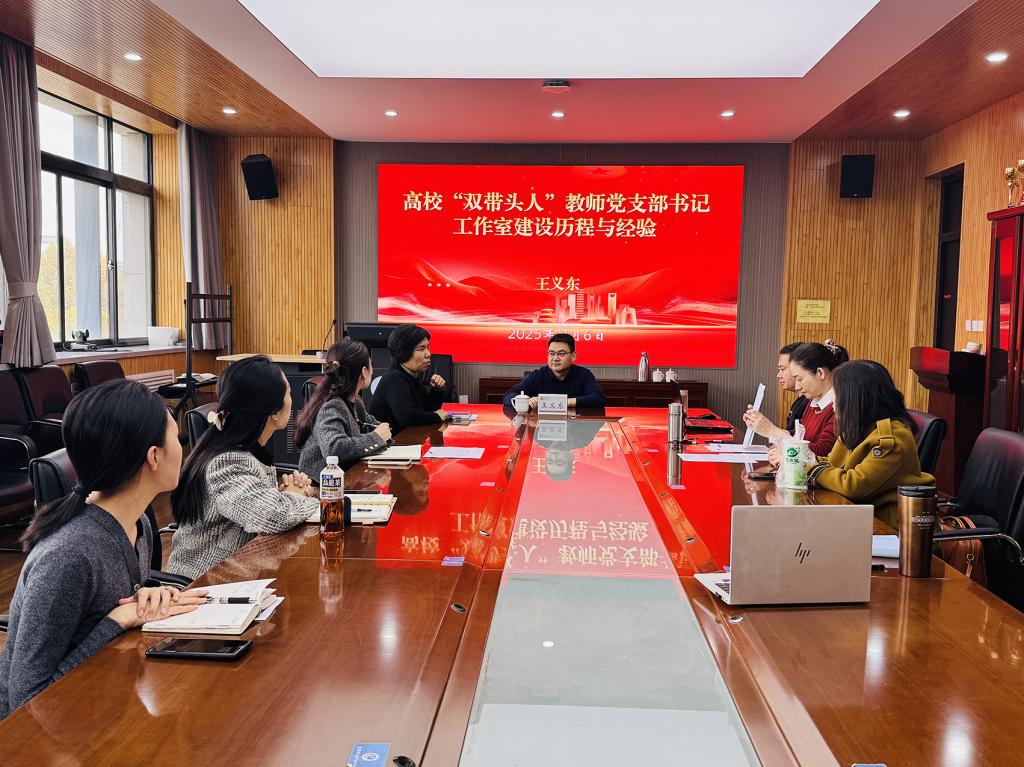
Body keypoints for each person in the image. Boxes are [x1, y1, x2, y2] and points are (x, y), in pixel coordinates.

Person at [0, 380, 207, 719]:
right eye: (176, 436)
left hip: (101, 702)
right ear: (154, 456)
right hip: (40, 733)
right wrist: (116, 620)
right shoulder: (68, 556)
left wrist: (146, 594)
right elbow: (26, 698)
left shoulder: (138, 524)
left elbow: (103, 609)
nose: (182, 446)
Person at [169, 355, 319, 581]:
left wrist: (282, 495)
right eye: (288, 392)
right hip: (202, 584)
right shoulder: (226, 463)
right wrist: (297, 497)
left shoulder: (242, 451)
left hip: (235, 576)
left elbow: (257, 509)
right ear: (274, 412)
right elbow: (274, 515)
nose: (292, 399)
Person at [806, 359, 934, 526]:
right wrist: (799, 461)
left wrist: (809, 468)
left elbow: (853, 486)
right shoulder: (858, 427)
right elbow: (832, 463)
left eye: (836, 393)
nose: (833, 400)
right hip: (858, 516)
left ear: (854, 398)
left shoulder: (892, 440)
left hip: (886, 527)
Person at [295, 339, 393, 476]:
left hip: (347, 477)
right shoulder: (332, 405)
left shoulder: (355, 401)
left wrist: (382, 432)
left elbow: (371, 426)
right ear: (364, 372)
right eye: (371, 365)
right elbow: (333, 449)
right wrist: (377, 437)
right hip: (321, 485)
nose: (372, 371)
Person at [369, 324, 448, 432]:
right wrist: (437, 416)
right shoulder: (395, 378)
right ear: (404, 352)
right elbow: (408, 417)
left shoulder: (412, 374)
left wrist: (437, 390)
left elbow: (427, 409)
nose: (428, 354)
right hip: (391, 441)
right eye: (421, 349)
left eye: (428, 348)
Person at [501, 333, 606, 410]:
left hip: (574, 428)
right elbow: (508, 396)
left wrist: (563, 403)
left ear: (573, 356)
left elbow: (599, 398)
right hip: (543, 427)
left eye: (561, 353)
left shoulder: (583, 375)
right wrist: (526, 401)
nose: (555, 358)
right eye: (551, 353)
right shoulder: (538, 375)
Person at [742, 342, 807, 439]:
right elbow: (791, 437)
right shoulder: (799, 402)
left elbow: (802, 443)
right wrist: (759, 424)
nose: (778, 375)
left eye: (782, 369)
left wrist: (769, 430)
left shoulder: (811, 404)